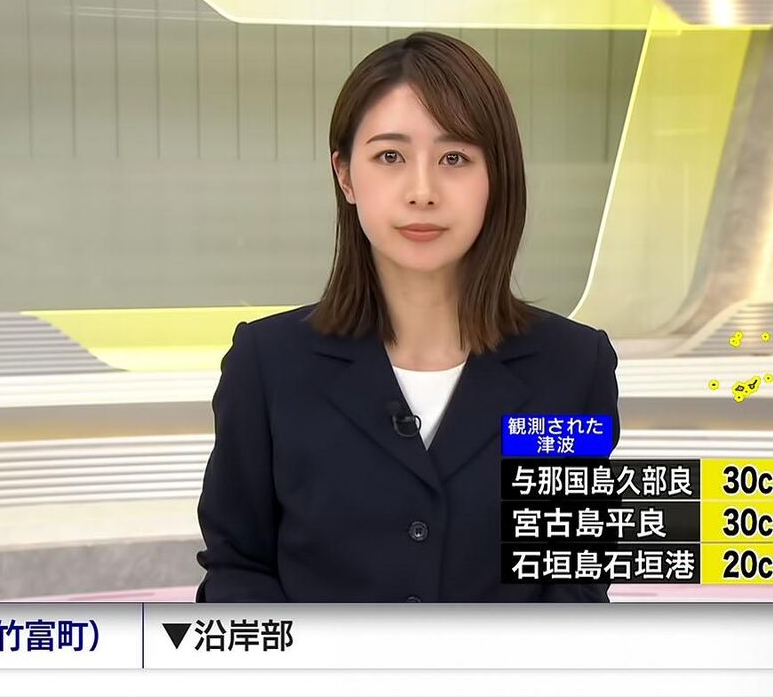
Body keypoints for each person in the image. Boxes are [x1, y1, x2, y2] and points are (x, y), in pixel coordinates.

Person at [195, 31, 620, 602]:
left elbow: (572, 582)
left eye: (455, 158)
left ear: (495, 178)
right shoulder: (268, 364)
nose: (423, 192)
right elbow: (238, 568)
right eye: (390, 157)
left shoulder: (572, 367)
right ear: (346, 175)